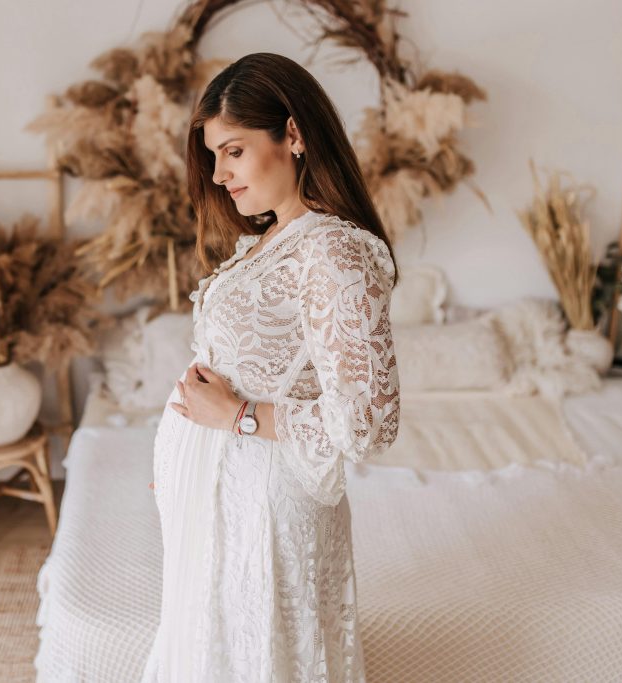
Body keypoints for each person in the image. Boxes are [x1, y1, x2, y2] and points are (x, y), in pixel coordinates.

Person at [140, 52, 401, 682]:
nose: (220, 173)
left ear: (293, 133)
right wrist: (187, 457)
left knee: (260, 659)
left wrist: (236, 417)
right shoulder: (269, 241)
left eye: (233, 150)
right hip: (220, 495)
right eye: (212, 157)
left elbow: (365, 423)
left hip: (264, 506)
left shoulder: (332, 251)